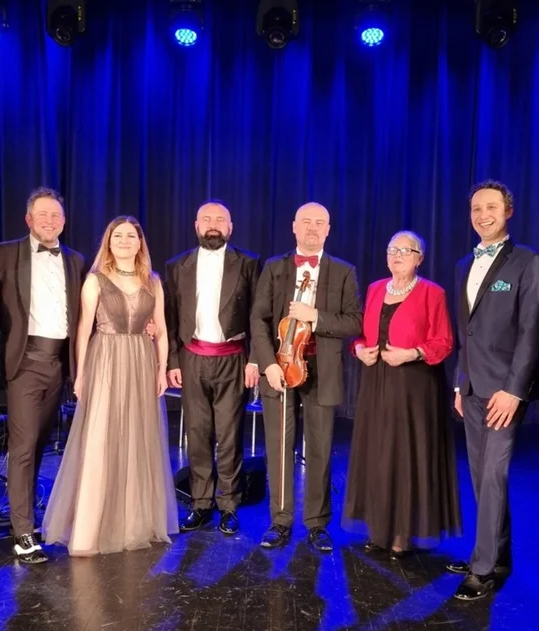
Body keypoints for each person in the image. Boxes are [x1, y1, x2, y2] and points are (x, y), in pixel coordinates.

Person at [41, 216, 178, 554]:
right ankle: (90, 528)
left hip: (141, 361)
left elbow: (161, 330)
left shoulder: (153, 281)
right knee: (101, 438)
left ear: (140, 242)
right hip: (105, 360)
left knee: (137, 439)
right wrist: (81, 375)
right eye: (118, 236)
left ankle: (133, 523)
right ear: (108, 241)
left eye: (131, 235)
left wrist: (161, 370)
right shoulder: (95, 280)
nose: (124, 241)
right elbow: (83, 330)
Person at [449, 180, 539, 601]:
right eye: (476, 208)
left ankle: (483, 568)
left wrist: (514, 390)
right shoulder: (463, 265)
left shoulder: (529, 262)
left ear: (508, 212)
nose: (482, 215)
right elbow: (465, 333)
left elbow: (532, 330)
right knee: (480, 476)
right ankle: (495, 554)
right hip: (472, 386)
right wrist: (460, 382)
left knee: (493, 475)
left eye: (491, 207)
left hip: (505, 391)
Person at [250, 202, 363, 552]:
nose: (312, 228)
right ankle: (280, 521)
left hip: (322, 370)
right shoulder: (274, 267)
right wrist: (268, 364)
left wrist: (316, 316)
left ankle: (317, 523)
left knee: (320, 448)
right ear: (294, 227)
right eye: (306, 222)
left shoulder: (344, 271)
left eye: (319, 223)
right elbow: (258, 319)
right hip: (280, 367)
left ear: (328, 229)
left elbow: (355, 321)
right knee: (278, 447)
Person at [344, 231, 460, 559]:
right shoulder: (375, 289)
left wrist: (412, 353)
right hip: (376, 382)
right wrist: (358, 349)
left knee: (405, 454)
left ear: (419, 258)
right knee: (377, 453)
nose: (397, 255)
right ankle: (378, 527)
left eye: (405, 250)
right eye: (392, 249)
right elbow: (362, 335)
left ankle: (402, 532)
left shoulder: (432, 293)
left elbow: (444, 342)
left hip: (414, 384)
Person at [0, 188, 86, 564]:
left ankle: (27, 517)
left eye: (56, 215)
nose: (49, 221)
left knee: (41, 445)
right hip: (25, 361)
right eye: (42, 214)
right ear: (29, 219)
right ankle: (23, 531)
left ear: (64, 221)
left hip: (60, 364)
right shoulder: (4, 253)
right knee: (24, 447)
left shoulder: (76, 260)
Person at [164, 200, 261, 536]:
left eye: (220, 219)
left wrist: (255, 359)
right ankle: (201, 503)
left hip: (233, 358)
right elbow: (170, 317)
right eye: (206, 219)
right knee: (197, 433)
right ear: (196, 225)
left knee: (230, 435)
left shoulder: (249, 263)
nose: (213, 224)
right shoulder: (177, 266)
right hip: (192, 358)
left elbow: (258, 316)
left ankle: (229, 505)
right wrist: (172, 361)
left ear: (230, 227)